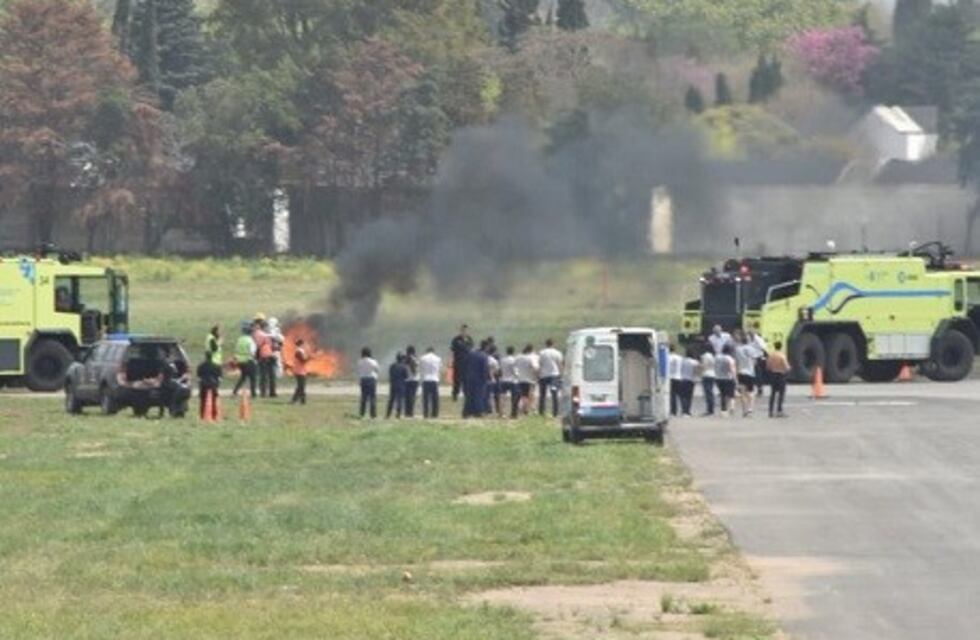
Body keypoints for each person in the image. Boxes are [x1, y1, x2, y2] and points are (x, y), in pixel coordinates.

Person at [462, 340, 490, 418]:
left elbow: (464, 364)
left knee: (469, 396)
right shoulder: (484, 356)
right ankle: (477, 412)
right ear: (486, 347)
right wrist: (486, 378)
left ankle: (466, 412)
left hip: (469, 378)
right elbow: (485, 369)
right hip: (479, 379)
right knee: (479, 395)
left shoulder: (471, 353)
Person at [537, 338, 564, 417]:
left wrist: (538, 375)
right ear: (553, 344)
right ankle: (555, 412)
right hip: (554, 375)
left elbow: (539, 364)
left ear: (546, 344)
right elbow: (560, 364)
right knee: (554, 394)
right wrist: (561, 375)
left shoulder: (541, 353)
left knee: (542, 394)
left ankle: (541, 411)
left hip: (543, 375)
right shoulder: (557, 353)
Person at [252, 316, 276, 398]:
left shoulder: (259, 334)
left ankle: (267, 392)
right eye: (266, 327)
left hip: (265, 356)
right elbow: (260, 345)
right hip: (267, 356)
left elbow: (258, 345)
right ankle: (269, 392)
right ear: (264, 327)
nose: (267, 328)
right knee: (268, 375)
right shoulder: (265, 335)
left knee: (266, 375)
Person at [232, 321, 257, 398]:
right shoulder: (250, 340)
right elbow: (253, 351)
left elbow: (236, 349)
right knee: (253, 378)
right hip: (249, 361)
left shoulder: (240, 339)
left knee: (243, 377)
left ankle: (235, 391)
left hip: (240, 361)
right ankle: (253, 394)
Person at [735, 333, 757, 417]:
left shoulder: (738, 349)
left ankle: (744, 410)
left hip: (741, 372)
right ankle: (750, 409)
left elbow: (736, 362)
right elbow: (754, 361)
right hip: (750, 372)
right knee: (751, 392)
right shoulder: (751, 349)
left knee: (743, 392)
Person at [766, 341, 790, 418]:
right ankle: (779, 410)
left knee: (772, 393)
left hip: (773, 375)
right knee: (781, 394)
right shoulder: (782, 356)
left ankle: (770, 411)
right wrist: (788, 369)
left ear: (774, 346)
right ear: (781, 347)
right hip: (781, 375)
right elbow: (786, 367)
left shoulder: (771, 356)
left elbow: (768, 366)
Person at [450, 324, 474, 402]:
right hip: (458, 362)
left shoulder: (470, 339)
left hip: (467, 363)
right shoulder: (456, 339)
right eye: (463, 330)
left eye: (465, 330)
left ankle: (466, 394)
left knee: (466, 380)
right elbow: (452, 350)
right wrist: (450, 361)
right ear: (460, 331)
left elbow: (471, 350)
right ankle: (455, 395)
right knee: (456, 380)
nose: (464, 332)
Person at [197, 350, 222, 420]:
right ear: (212, 357)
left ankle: (202, 415)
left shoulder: (201, 366)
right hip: (213, 385)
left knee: (203, 401)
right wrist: (217, 386)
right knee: (213, 401)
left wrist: (200, 386)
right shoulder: (217, 366)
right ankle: (214, 415)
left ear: (205, 356)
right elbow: (219, 378)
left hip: (204, 385)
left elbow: (199, 378)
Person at [514, 344, 538, 416]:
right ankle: (526, 410)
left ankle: (522, 409)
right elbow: (534, 368)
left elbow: (514, 366)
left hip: (520, 379)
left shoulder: (519, 357)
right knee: (528, 395)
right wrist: (536, 375)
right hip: (529, 379)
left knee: (523, 395)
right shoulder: (530, 358)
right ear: (531, 350)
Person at [419, 347, 442, 418]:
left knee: (425, 398)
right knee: (435, 399)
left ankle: (425, 414)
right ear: (433, 351)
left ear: (427, 351)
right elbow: (440, 368)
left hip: (426, 379)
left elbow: (421, 368)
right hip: (435, 379)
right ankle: (435, 414)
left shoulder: (422, 358)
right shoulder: (438, 358)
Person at [357, 347, 380, 419]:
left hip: (363, 380)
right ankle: (373, 415)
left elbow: (359, 370)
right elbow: (377, 369)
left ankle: (362, 414)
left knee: (363, 397)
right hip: (371, 379)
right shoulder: (373, 361)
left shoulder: (360, 361)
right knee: (372, 398)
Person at [715, 344, 737, 417]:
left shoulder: (717, 357)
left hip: (718, 378)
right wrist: (735, 378)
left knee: (723, 394)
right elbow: (732, 369)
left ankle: (723, 410)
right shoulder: (730, 358)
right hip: (728, 378)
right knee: (731, 394)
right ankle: (732, 407)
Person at [386, 354, 409, 419]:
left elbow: (390, 374)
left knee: (391, 400)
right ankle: (398, 415)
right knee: (400, 400)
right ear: (402, 359)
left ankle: (388, 414)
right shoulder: (404, 367)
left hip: (393, 384)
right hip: (401, 384)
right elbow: (406, 376)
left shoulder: (392, 366)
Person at [499, 346, 519, 418]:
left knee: (503, 397)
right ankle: (513, 414)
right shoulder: (514, 360)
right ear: (513, 352)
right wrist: (518, 376)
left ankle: (502, 413)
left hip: (504, 380)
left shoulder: (502, 360)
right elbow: (515, 371)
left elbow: (500, 370)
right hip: (512, 381)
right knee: (514, 398)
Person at [748, 329, 768, 398]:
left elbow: (764, 347)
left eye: (751, 334)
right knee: (751, 374)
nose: (750, 335)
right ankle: (751, 389)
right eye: (749, 334)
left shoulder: (758, 339)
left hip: (758, 358)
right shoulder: (749, 339)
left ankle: (760, 390)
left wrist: (763, 355)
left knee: (758, 374)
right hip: (751, 358)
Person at [680, 349, 698, 417]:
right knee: (689, 396)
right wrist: (696, 379)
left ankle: (683, 410)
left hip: (682, 379)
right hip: (691, 380)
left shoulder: (682, 361)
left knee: (683, 396)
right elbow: (696, 372)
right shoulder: (695, 362)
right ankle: (687, 411)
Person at [290, 338, 309, 405]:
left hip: (300, 370)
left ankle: (295, 400)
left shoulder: (299, 351)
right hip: (300, 371)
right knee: (302, 386)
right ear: (301, 344)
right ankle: (302, 401)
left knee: (300, 387)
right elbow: (303, 360)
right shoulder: (299, 351)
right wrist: (309, 358)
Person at [699, 344, 716, 416]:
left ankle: (710, 410)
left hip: (706, 374)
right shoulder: (713, 356)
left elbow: (704, 365)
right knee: (710, 392)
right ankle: (711, 409)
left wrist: (699, 366)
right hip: (712, 374)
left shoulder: (705, 356)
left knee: (708, 393)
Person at [404, 345, 420, 417]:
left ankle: (407, 412)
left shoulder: (405, 359)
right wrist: (415, 373)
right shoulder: (414, 358)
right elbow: (415, 367)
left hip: (406, 380)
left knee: (407, 397)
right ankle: (411, 412)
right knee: (412, 396)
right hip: (414, 379)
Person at [486, 345, 501, 416]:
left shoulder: (485, 358)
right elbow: (497, 370)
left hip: (486, 378)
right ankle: (498, 409)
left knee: (487, 395)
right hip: (495, 378)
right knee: (496, 395)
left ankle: (489, 409)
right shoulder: (495, 359)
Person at [668, 344, 683, 417]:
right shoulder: (679, 357)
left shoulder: (667, 357)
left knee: (672, 395)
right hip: (679, 377)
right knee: (681, 395)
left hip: (670, 377)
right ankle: (685, 411)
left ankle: (673, 411)